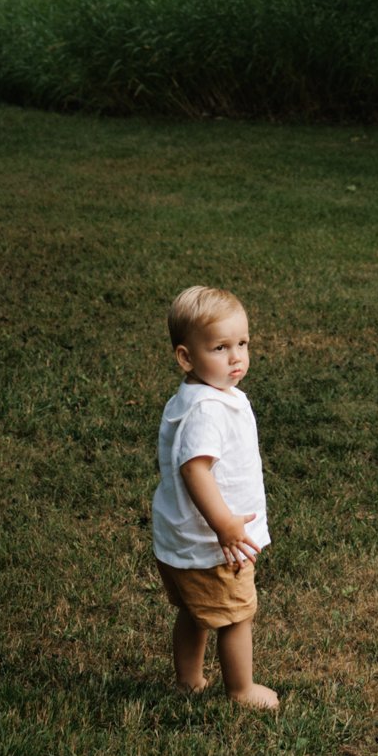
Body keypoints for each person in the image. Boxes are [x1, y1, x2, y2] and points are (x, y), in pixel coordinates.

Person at [151, 283, 279, 710]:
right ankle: (241, 691)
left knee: (195, 611)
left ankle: (188, 680)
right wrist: (224, 524)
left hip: (183, 544)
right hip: (214, 546)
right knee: (236, 617)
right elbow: (195, 469)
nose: (237, 356)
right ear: (186, 357)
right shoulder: (207, 410)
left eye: (242, 343)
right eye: (221, 347)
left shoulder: (196, 397)